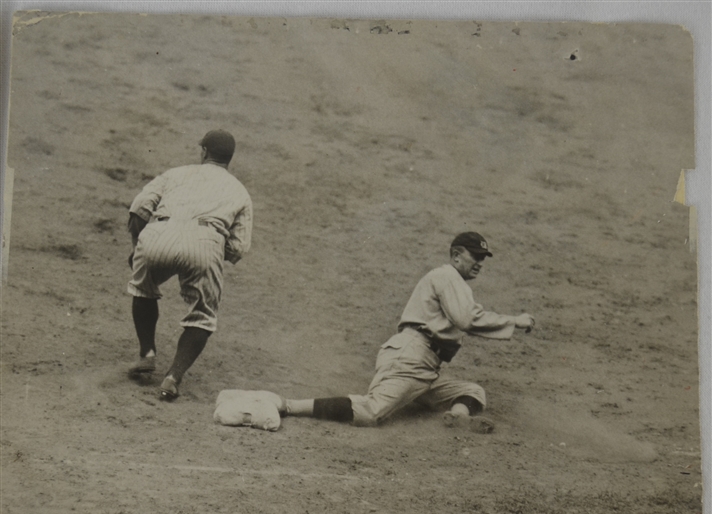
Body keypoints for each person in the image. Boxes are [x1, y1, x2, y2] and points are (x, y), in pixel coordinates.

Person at [284, 232, 535, 430]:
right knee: (372, 411)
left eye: (483, 258)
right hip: (410, 356)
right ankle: (289, 406)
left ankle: (457, 419)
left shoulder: (451, 280)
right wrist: (515, 321)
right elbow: (467, 319)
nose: (480, 263)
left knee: (472, 392)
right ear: (456, 255)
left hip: (424, 367)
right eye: (476, 256)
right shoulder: (447, 276)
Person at [126, 130, 253, 401]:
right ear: (229, 159)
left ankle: (146, 354)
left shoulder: (176, 173)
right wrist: (212, 252)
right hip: (205, 242)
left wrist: (137, 246)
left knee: (142, 289)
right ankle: (173, 377)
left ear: (204, 152)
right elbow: (239, 248)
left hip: (159, 233)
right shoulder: (239, 190)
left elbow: (139, 209)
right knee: (203, 316)